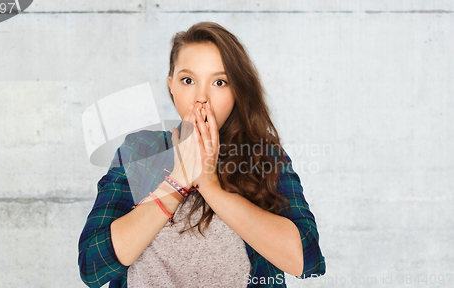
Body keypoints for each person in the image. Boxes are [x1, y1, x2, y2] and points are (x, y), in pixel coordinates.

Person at [78, 21, 325, 288]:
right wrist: (179, 180)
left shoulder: (264, 156)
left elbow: (306, 261)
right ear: (171, 85)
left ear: (237, 91)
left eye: (219, 82)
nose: (201, 98)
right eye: (188, 80)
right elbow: (92, 267)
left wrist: (209, 184)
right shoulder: (140, 150)